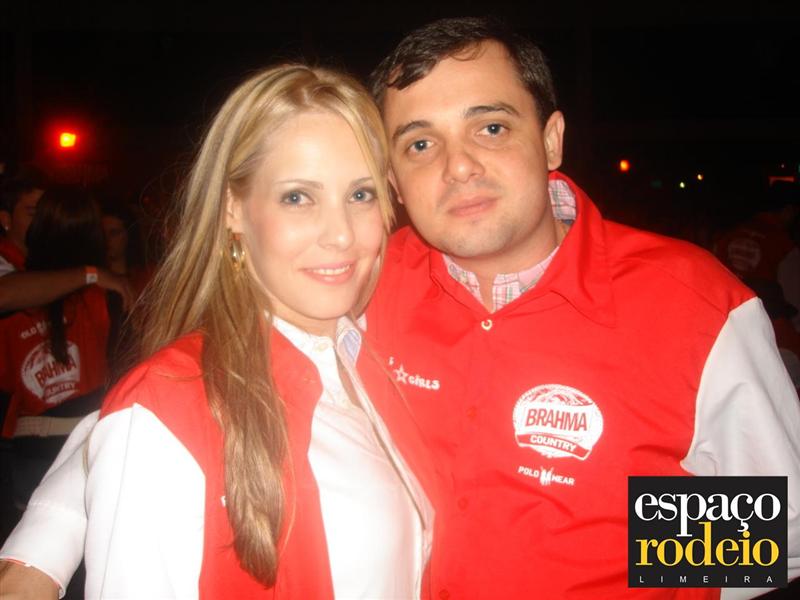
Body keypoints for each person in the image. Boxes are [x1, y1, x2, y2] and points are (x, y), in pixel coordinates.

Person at [3, 16, 800, 600]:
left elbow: (786, 531)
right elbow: (170, 409)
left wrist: (616, 547)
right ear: (394, 176)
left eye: (491, 126)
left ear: (552, 139)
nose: (458, 166)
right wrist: (42, 545)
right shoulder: (368, 279)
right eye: (419, 143)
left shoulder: (693, 303)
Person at [1, 65, 435, 599]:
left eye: (361, 194)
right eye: (298, 197)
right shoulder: (166, 409)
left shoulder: (375, 355)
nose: (341, 233)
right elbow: (151, 418)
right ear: (233, 208)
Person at [1, 186, 113, 510]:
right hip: (70, 446)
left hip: (47, 448)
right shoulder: (102, 292)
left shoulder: (104, 292)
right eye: (30, 211)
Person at [0, 169, 134, 314]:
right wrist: (91, 275)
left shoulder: (50, 267)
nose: (44, 219)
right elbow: (3, 294)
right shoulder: (4, 257)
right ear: (6, 220)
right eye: (33, 213)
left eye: (48, 211)